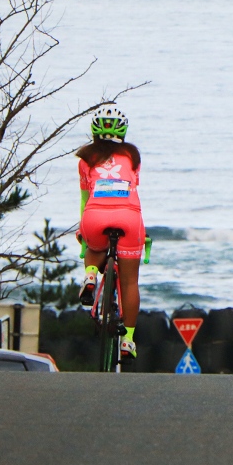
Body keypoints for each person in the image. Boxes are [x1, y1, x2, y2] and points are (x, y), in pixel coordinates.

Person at [77, 104, 145, 362]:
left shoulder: (85, 159)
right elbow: (133, 188)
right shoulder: (133, 157)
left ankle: (91, 274)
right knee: (129, 282)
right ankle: (128, 339)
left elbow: (85, 200)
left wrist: (82, 229)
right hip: (129, 216)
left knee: (94, 245)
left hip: (95, 215)